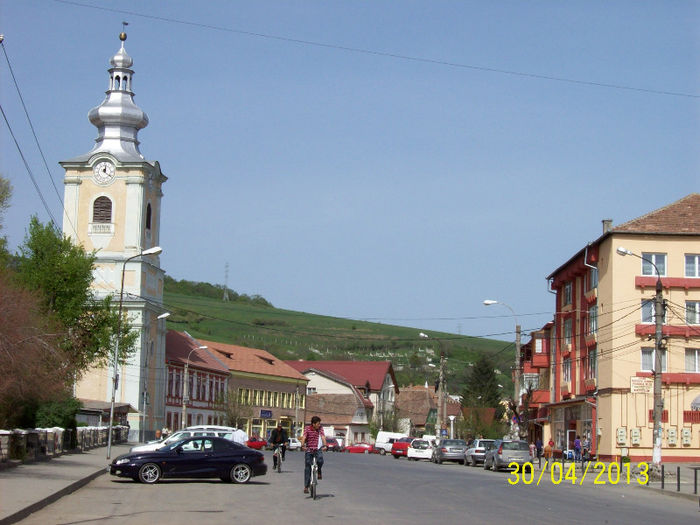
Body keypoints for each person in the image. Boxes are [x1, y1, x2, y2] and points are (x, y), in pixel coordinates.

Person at [300, 416, 327, 494]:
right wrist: (302, 445)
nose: (319, 425)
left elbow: (323, 437)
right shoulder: (307, 428)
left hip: (317, 449)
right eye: (318, 424)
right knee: (308, 466)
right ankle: (306, 486)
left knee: (320, 460)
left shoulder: (320, 429)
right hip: (309, 449)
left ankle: (319, 471)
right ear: (313, 424)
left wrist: (325, 445)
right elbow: (304, 437)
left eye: (319, 424)